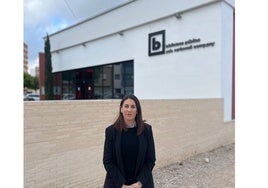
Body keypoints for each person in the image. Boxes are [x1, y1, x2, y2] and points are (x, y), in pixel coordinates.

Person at [103, 94, 156, 188]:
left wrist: (139, 183)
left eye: (133, 107)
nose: (129, 110)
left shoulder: (147, 130)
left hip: (141, 184)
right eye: (126, 106)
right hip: (116, 183)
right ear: (121, 109)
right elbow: (108, 161)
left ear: (137, 110)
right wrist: (121, 184)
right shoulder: (111, 131)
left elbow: (150, 160)